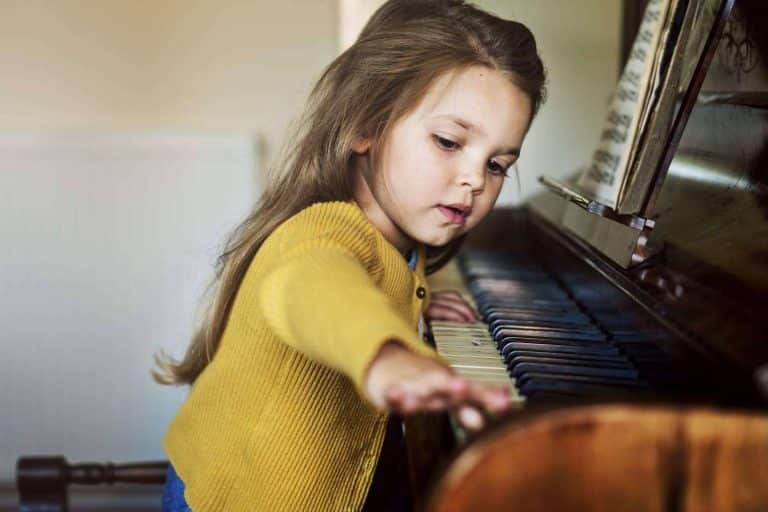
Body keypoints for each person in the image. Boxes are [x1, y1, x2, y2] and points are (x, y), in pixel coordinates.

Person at [153, 0, 546, 510]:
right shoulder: (321, 233)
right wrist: (386, 353)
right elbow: (317, 290)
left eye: (496, 164)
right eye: (449, 142)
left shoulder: (403, 238)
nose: (474, 180)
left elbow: (370, 282)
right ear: (365, 125)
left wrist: (409, 306)